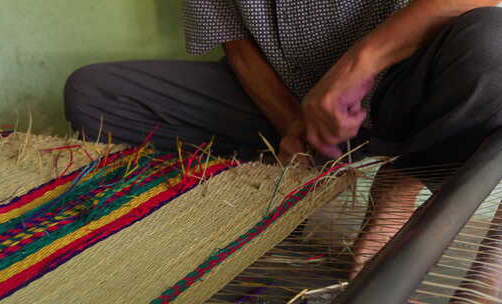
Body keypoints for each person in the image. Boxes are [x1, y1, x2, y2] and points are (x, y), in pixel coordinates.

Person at [64, 0, 502, 301]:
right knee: (95, 95)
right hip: (294, 97)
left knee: (492, 41)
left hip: (405, 90)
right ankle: (272, 197)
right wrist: (294, 125)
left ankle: (401, 183)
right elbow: (237, 45)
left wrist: (354, 68)